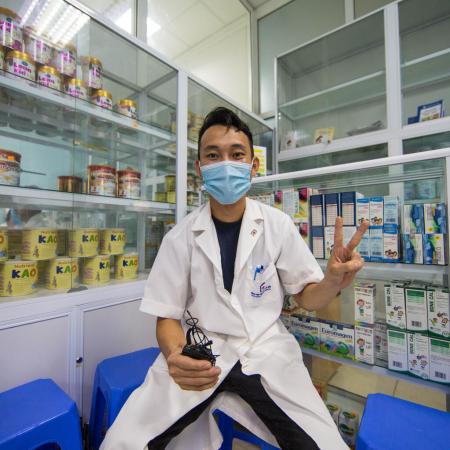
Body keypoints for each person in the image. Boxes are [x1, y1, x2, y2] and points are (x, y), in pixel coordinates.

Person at [101, 107, 369, 450]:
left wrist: (331, 281)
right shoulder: (179, 238)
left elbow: (306, 297)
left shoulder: (277, 226)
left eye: (237, 154)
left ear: (252, 166)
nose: (226, 163)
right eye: (213, 155)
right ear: (200, 169)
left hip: (265, 348)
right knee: (122, 443)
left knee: (325, 445)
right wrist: (174, 355)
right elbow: (166, 317)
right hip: (201, 352)